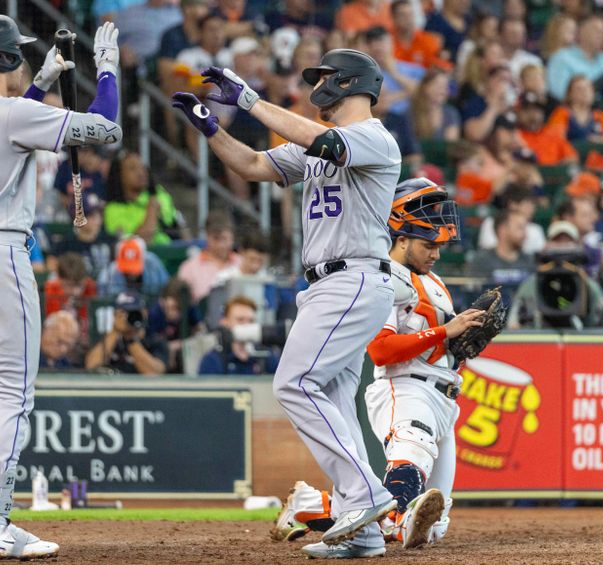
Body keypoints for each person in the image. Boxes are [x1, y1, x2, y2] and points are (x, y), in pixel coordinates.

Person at [171, 48, 401, 557]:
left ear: (349, 82)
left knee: (294, 382)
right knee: (334, 401)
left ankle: (366, 494)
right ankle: (361, 530)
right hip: (329, 284)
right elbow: (254, 165)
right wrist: (211, 129)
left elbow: (324, 141)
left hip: (353, 277)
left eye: (324, 77)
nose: (317, 85)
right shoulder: (322, 143)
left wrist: (251, 101)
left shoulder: (373, 138)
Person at [0, 16, 121, 560]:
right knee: (13, 397)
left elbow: (5, 133)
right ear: (6, 57)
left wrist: (41, 83)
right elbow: (105, 128)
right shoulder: (13, 112)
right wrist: (105, 69)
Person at [365, 178, 481, 549]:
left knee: (433, 527)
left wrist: (459, 344)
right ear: (401, 240)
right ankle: (393, 515)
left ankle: (314, 506)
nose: (436, 253)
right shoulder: (383, 278)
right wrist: (446, 332)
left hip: (443, 397)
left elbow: (439, 340)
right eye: (428, 245)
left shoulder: (432, 280)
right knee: (410, 452)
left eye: (439, 246)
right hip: (405, 386)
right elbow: (380, 350)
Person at [103, 151, 186, 245]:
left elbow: (179, 227)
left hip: (170, 251)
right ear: (119, 176)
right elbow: (137, 244)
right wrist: (152, 208)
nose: (141, 172)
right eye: (132, 168)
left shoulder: (159, 193)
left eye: (142, 167)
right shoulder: (113, 209)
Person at [85, 290, 168, 375]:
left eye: (134, 311)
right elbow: (91, 367)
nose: (129, 316)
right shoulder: (106, 339)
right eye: (123, 312)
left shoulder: (155, 340)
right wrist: (114, 330)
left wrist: (131, 339)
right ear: (115, 314)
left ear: (145, 313)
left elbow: (154, 373)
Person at [198, 295, 280, 376]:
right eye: (240, 320)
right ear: (225, 322)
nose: (247, 325)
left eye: (251, 321)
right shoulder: (213, 361)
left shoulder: (266, 356)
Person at [546, 14, 603, 101]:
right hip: (572, 111)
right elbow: (559, 93)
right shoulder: (561, 58)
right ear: (581, 31)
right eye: (597, 31)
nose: (602, 35)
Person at [177, 210, 241, 302]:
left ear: (232, 238)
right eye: (216, 239)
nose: (221, 245)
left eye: (224, 238)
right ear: (207, 236)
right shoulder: (189, 268)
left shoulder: (243, 264)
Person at [466, 209, 535, 293]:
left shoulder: (529, 260)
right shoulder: (482, 260)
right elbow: (474, 294)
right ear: (502, 229)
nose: (525, 235)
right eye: (520, 228)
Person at [147, 276, 203, 373]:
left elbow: (200, 332)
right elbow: (150, 341)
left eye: (179, 309)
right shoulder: (154, 313)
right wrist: (167, 348)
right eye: (172, 308)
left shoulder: (190, 309)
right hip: (158, 357)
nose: (175, 314)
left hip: (185, 354)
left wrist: (179, 345)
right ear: (163, 301)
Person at [546, 75, 603, 144]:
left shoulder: (598, 116)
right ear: (570, 94)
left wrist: (600, 140)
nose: (585, 92)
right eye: (579, 89)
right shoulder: (562, 112)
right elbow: (555, 138)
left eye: (589, 88)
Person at [515, 91, 578, 166]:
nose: (532, 115)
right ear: (518, 113)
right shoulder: (514, 135)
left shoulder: (553, 134)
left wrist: (556, 168)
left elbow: (572, 157)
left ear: (542, 113)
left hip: (554, 176)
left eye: (536, 110)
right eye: (527, 110)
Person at [97, 236, 170, 299]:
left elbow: (167, 290)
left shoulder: (153, 265)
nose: (131, 272)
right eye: (127, 266)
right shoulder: (107, 276)